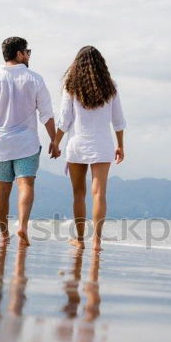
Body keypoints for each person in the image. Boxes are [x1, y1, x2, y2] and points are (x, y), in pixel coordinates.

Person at [0, 36, 60, 247]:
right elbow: (46, 115)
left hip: (1, 144)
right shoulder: (35, 79)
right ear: (19, 54)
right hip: (26, 143)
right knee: (26, 184)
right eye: (27, 52)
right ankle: (22, 226)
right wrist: (54, 140)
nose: (29, 56)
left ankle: (4, 235)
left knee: (2, 188)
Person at [50, 46, 126, 251]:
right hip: (102, 145)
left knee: (78, 194)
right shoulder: (111, 87)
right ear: (102, 65)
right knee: (99, 193)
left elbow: (65, 120)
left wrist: (56, 142)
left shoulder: (71, 87)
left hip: (77, 145)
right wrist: (121, 145)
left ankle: (81, 239)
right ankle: (97, 241)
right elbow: (118, 121)